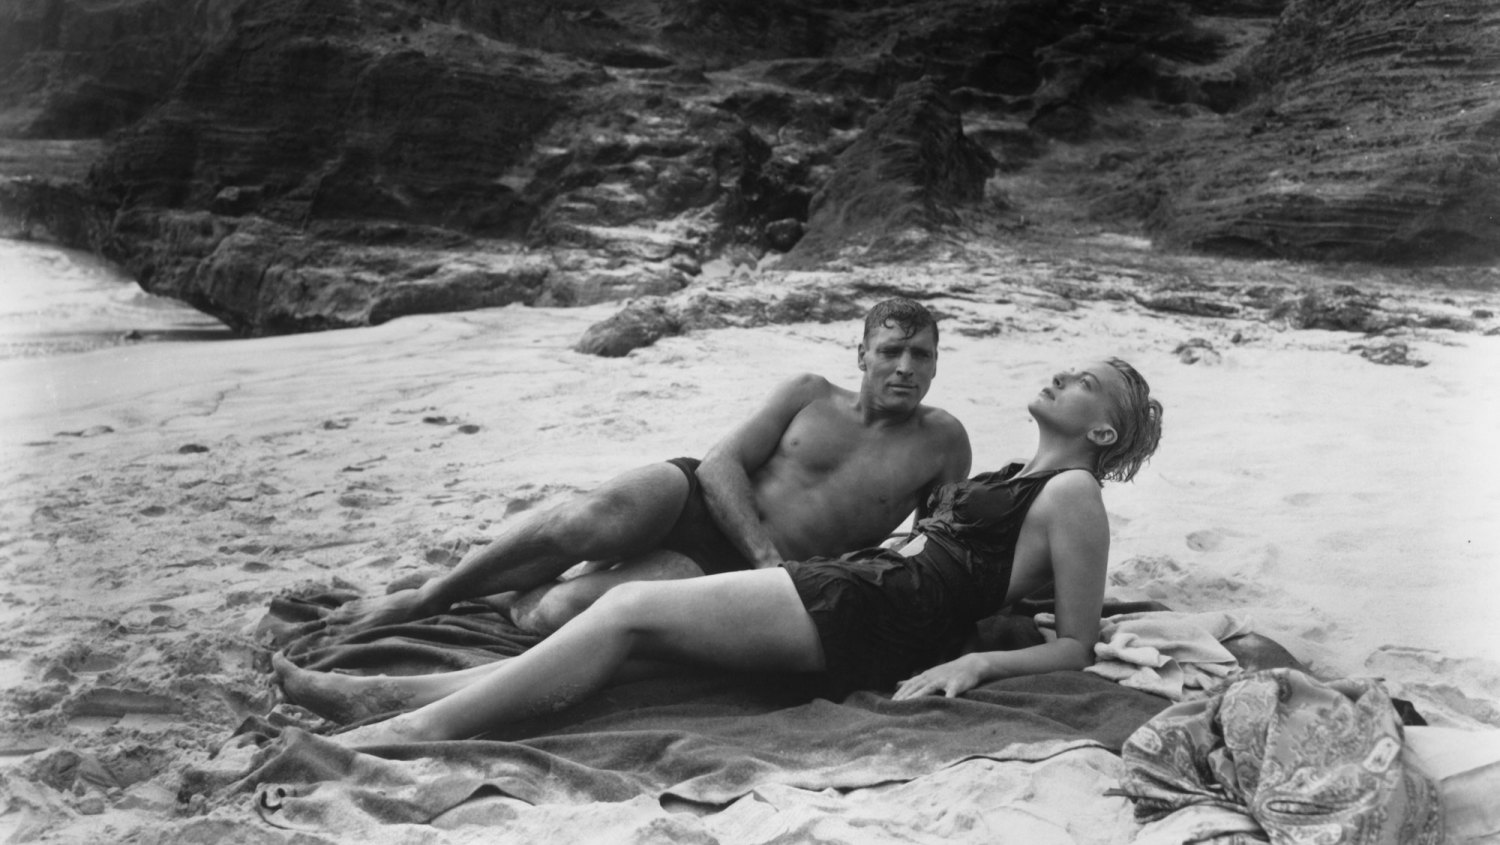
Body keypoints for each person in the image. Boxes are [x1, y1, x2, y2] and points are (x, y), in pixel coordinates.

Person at [275, 358, 1164, 745]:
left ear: (1103, 426)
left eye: (1083, 380)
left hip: (877, 614)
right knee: (635, 652)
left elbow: (1077, 642)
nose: (1061, 376)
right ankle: (389, 694)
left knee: (626, 614)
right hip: (863, 592)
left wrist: (974, 660)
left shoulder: (1074, 493)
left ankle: (406, 730)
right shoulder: (1019, 473)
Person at [327, 298, 972, 636]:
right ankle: (427, 597)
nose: (906, 368)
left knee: (555, 615)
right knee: (592, 519)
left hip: (733, 572)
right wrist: (767, 555)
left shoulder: (943, 442)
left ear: (937, 363)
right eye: (891, 351)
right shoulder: (809, 392)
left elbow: (942, 547)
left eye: (922, 355)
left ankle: (498, 591)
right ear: (860, 354)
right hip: (701, 503)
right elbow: (721, 464)